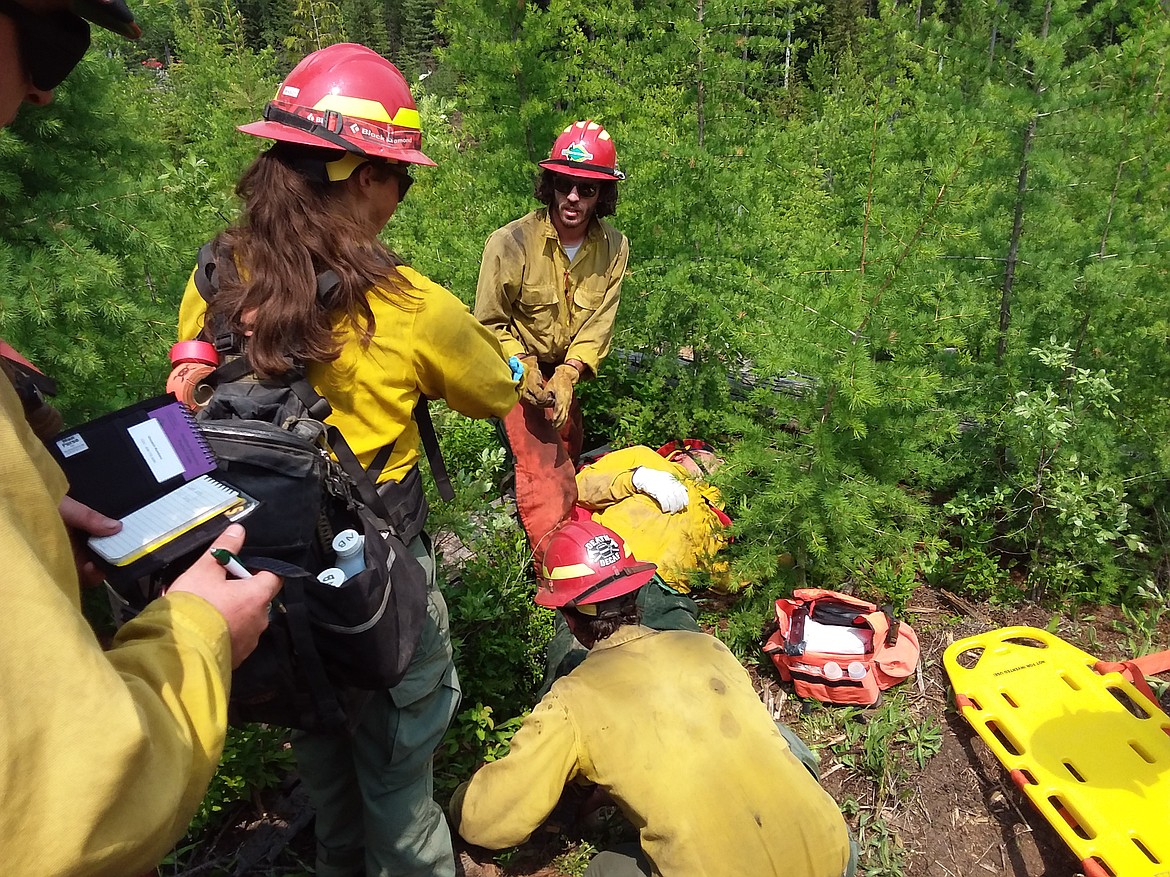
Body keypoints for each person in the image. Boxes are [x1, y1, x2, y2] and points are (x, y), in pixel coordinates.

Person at [176, 43, 521, 877]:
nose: (402, 194)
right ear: (361, 174)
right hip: (379, 577)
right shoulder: (409, 305)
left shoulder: (219, 273)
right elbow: (493, 392)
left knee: (319, 744)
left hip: (267, 578)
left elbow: (187, 393)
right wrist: (509, 363)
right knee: (399, 779)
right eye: (401, 176)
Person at [0, 2, 283, 874]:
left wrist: (40, 520)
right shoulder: (411, 301)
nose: (42, 98)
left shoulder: (222, 258)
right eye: (49, 38)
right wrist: (194, 634)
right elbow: (77, 794)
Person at [451, 521, 856, 877]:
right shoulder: (706, 648)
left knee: (603, 870)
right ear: (636, 596)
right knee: (778, 738)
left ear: (571, 619)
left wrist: (457, 804)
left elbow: (486, 823)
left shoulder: (573, 700)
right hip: (835, 857)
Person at [473, 119, 629, 565]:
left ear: (603, 196)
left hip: (566, 371)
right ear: (551, 185)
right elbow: (489, 322)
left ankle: (571, 537)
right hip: (517, 369)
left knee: (569, 452)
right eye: (565, 185)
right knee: (542, 473)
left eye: (587, 189)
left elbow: (599, 323)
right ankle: (554, 569)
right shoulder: (509, 243)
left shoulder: (615, 248)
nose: (574, 199)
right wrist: (523, 367)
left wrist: (568, 373)